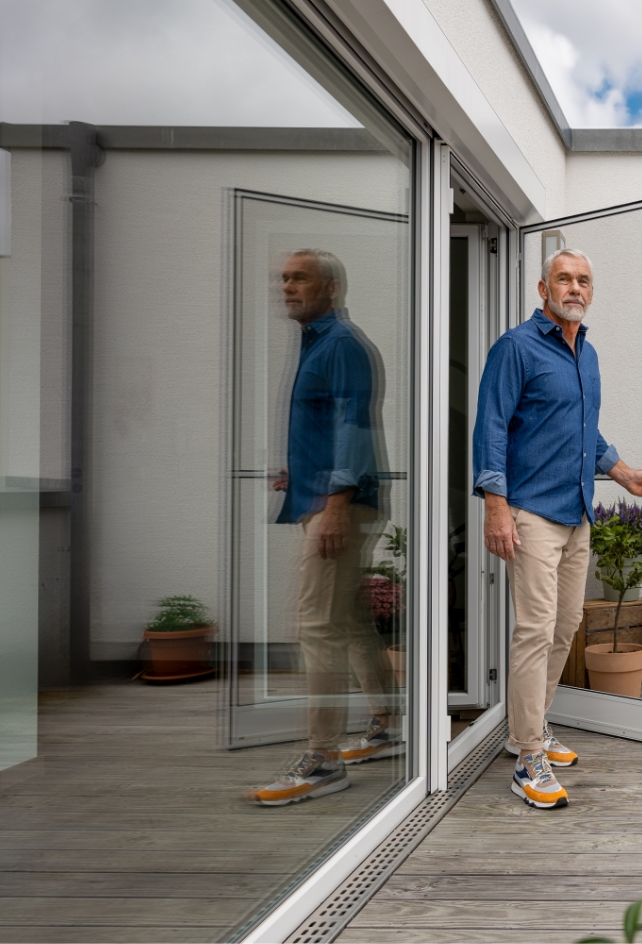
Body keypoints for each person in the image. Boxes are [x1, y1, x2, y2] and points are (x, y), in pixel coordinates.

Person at [473, 248, 642, 810]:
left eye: (583, 280)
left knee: (565, 627)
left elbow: (587, 432)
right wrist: (495, 506)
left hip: (577, 510)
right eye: (565, 278)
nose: (575, 287)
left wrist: (623, 473)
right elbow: (491, 429)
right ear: (543, 287)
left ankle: (527, 730)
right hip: (530, 509)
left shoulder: (588, 354)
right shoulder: (515, 348)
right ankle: (528, 755)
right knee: (534, 630)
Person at [248, 249, 399, 806]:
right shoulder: (319, 342)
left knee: (316, 627)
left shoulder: (341, 345)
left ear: (329, 287)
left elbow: (352, 424)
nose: (287, 286)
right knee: (349, 620)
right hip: (325, 496)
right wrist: (303, 471)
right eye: (283, 277)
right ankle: (387, 722)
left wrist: (335, 502)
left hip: (341, 507)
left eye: (299, 278)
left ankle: (322, 758)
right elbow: (328, 425)